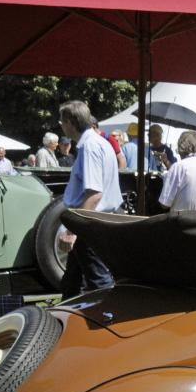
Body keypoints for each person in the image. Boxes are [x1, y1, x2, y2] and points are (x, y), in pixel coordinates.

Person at [59, 99, 122, 299]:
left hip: (90, 224)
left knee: (100, 283)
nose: (61, 125)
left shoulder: (90, 147)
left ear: (70, 121)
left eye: (62, 121)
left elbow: (94, 194)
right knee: (71, 283)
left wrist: (73, 229)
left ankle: (112, 321)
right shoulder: (99, 143)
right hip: (93, 222)